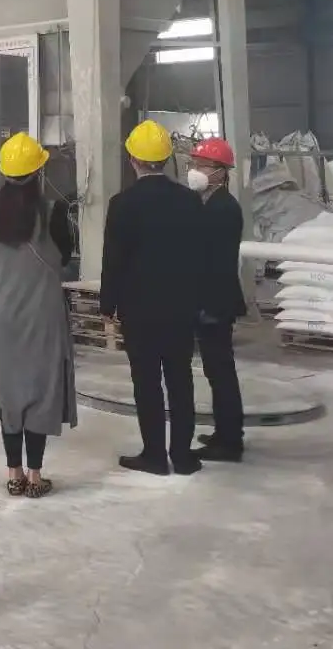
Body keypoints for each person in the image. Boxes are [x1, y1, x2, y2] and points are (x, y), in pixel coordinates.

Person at [100, 120, 206, 476]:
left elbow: (114, 260)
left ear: (132, 159)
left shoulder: (122, 204)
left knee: (146, 383)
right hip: (181, 308)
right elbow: (201, 257)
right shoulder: (189, 201)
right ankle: (183, 457)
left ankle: (155, 456)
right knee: (180, 381)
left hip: (139, 310)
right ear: (167, 159)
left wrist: (107, 305)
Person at [0, 133, 77, 498]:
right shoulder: (54, 212)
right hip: (42, 315)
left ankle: (13, 473)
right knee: (41, 389)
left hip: (4, 315)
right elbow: (65, 256)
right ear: (39, 171)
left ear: (4, 173)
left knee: (9, 391)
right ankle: (36, 477)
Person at [186, 137, 248, 462]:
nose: (196, 170)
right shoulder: (207, 202)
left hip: (215, 302)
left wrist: (205, 305)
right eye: (194, 163)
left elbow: (215, 263)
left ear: (221, 172)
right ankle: (224, 432)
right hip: (210, 300)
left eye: (203, 165)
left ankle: (230, 441)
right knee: (215, 371)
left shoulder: (224, 208)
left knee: (221, 372)